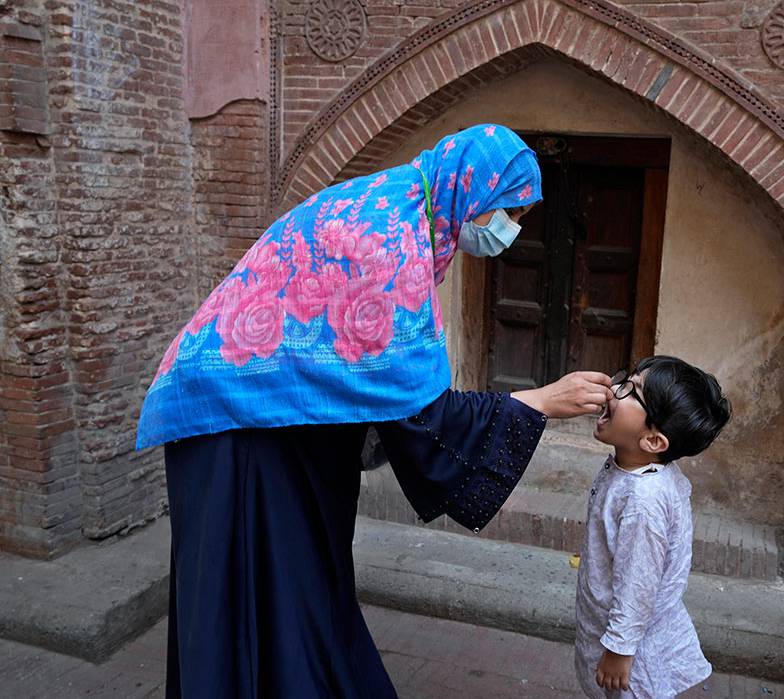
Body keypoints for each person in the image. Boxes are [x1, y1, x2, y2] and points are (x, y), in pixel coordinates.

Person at [136, 123, 614, 698]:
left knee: (299, 579)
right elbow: (422, 415)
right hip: (232, 425)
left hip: (277, 423)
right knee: (246, 584)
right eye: (508, 210)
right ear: (474, 189)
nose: (510, 229)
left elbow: (381, 387)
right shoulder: (388, 239)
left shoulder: (405, 209)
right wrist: (539, 402)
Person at [574, 356, 731, 699]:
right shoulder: (635, 468)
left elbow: (639, 583)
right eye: (626, 379)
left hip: (633, 651)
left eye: (632, 391)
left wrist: (619, 650)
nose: (614, 389)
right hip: (625, 631)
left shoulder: (643, 504)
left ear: (653, 441)